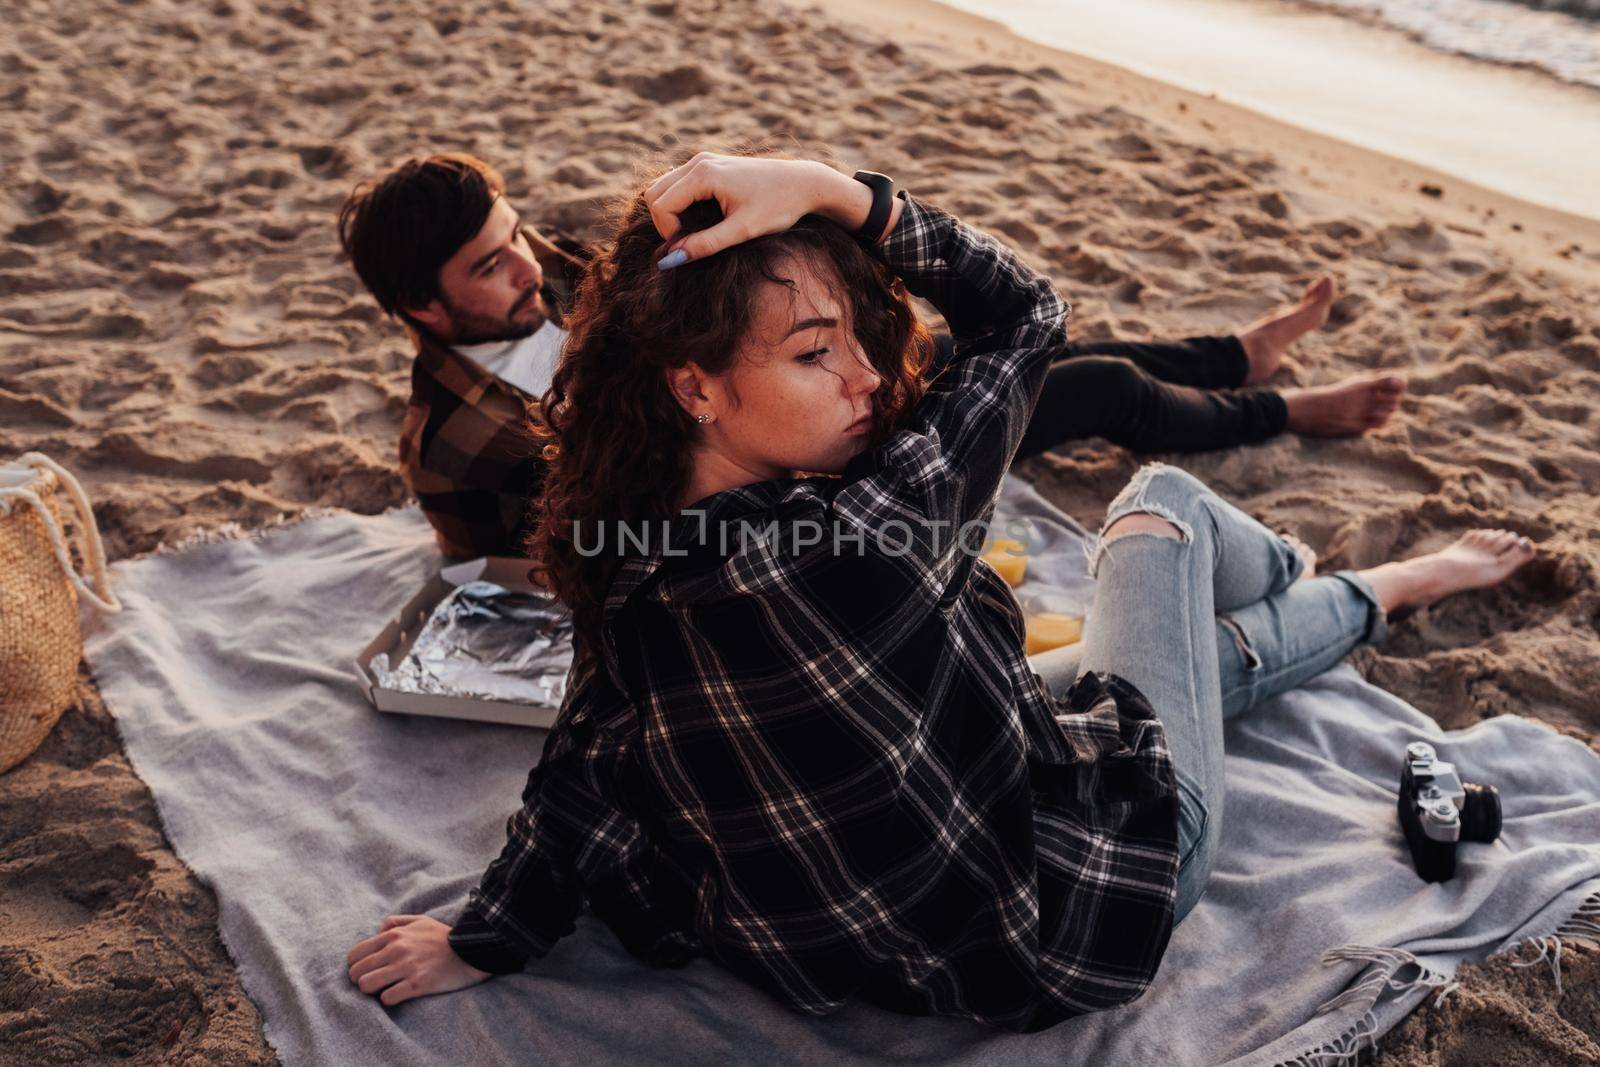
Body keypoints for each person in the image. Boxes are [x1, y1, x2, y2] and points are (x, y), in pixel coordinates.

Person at [344, 154, 1534, 1029]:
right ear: (695, 387)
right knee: (1161, 506)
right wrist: (827, 186)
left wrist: (486, 933)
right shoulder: (873, 522)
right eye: (815, 354)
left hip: (852, 943)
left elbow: (587, 754)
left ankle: (1358, 585)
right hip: (1075, 917)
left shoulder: (626, 546)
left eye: (860, 339)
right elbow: (1024, 314)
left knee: (1185, 666)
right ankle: (1335, 576)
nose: (868, 379)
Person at [336, 153, 1404, 561]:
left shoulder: (565, 280)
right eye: (489, 266)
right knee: (1095, 383)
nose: (528, 266)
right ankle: (1284, 413)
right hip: (802, 461)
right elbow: (515, 570)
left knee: (1063, 344)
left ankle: (1235, 356)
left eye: (516, 234)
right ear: (424, 310)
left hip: (807, 390)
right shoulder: (450, 447)